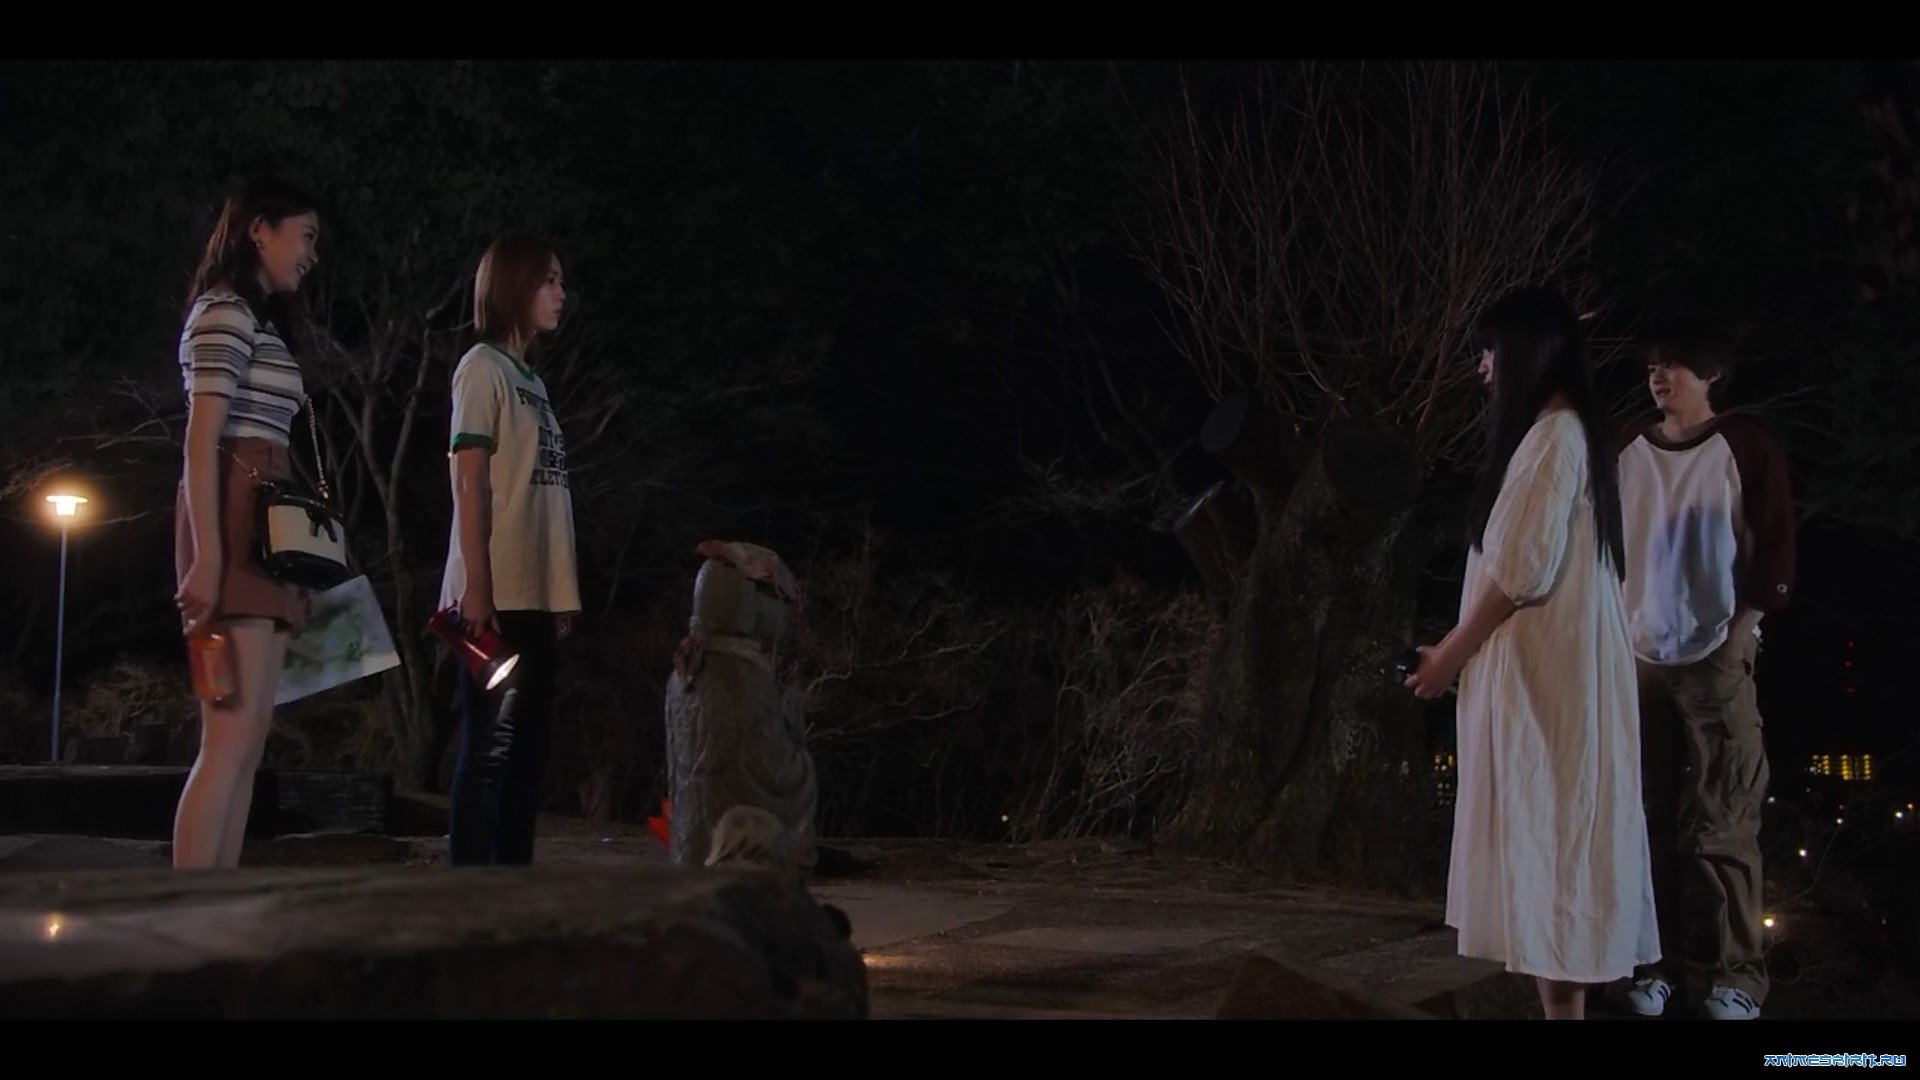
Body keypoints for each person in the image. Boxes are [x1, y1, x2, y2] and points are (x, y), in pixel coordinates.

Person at [1403, 286, 1660, 1019]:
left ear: (1526, 351)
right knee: (1551, 846)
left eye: (1490, 350)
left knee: (1553, 844)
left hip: (1550, 684)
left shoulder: (1555, 437)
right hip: (1553, 676)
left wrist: (1449, 656)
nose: (1483, 366)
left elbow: (1519, 574)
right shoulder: (1564, 435)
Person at [1618, 324, 1795, 1021]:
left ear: (1711, 373)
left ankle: (1740, 979)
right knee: (1645, 817)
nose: (1660, 377)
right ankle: (1655, 968)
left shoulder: (1743, 444)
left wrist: (1742, 630)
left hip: (1714, 649)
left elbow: (1775, 543)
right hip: (1637, 653)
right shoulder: (1627, 445)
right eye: (1654, 366)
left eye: (1675, 365)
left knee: (1727, 818)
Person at [172, 176, 323, 869]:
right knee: (228, 738)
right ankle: (188, 912)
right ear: (260, 228)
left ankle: (215, 905)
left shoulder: (259, 322)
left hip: (264, 522)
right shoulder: (223, 312)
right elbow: (202, 439)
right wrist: (207, 557)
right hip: (232, 521)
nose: (312, 254)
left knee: (249, 738)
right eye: (306, 236)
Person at [441, 232, 581, 866]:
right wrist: (477, 587)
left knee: (528, 754)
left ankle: (512, 888)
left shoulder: (535, 385)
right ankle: (471, 893)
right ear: (513, 287)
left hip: (533, 594)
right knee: (490, 750)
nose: (560, 294)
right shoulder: (482, 367)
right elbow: (469, 480)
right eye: (548, 280)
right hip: (493, 594)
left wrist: (559, 593)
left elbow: (542, 493)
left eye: (560, 281)